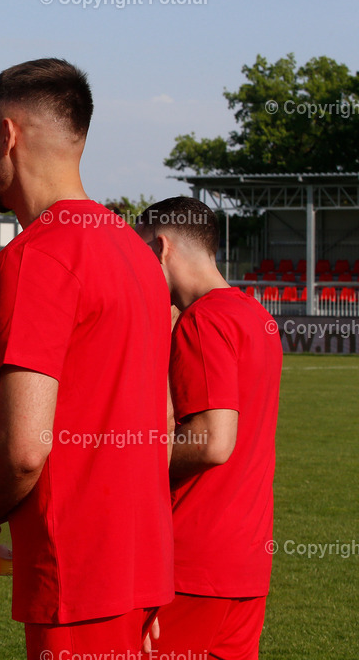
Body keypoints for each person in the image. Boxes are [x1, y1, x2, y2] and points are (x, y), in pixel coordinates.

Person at [0, 58, 173, 657]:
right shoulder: (135, 252)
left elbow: (26, 448)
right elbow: (159, 423)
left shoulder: (36, 256)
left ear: (7, 135)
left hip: (78, 564)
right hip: (139, 564)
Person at [137, 197, 281, 659]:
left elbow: (212, 443)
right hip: (246, 557)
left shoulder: (203, 320)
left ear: (160, 247)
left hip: (193, 559)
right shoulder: (255, 317)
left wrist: (127, 461)